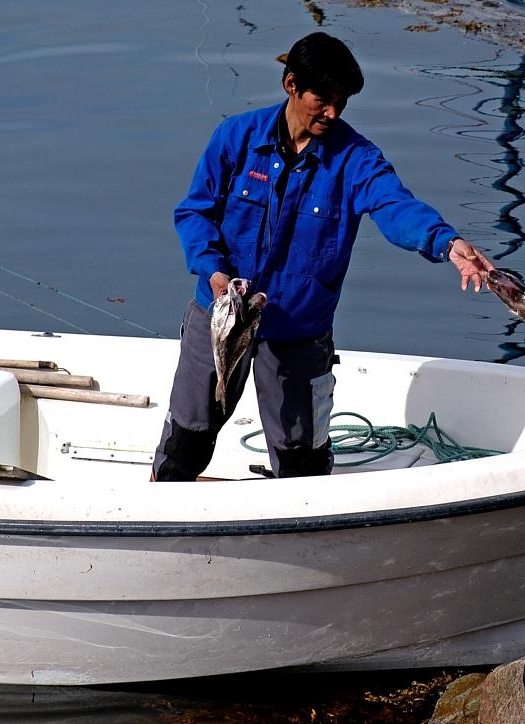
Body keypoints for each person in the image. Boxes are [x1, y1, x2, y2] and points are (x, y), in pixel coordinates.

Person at [153, 31, 494, 481]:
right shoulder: (235, 138)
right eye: (323, 99)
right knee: (187, 440)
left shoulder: (356, 159)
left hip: (299, 331)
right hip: (220, 315)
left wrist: (447, 243)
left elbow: (395, 205)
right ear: (291, 84)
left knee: (302, 463)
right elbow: (195, 213)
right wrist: (214, 270)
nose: (332, 112)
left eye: (342, 102)